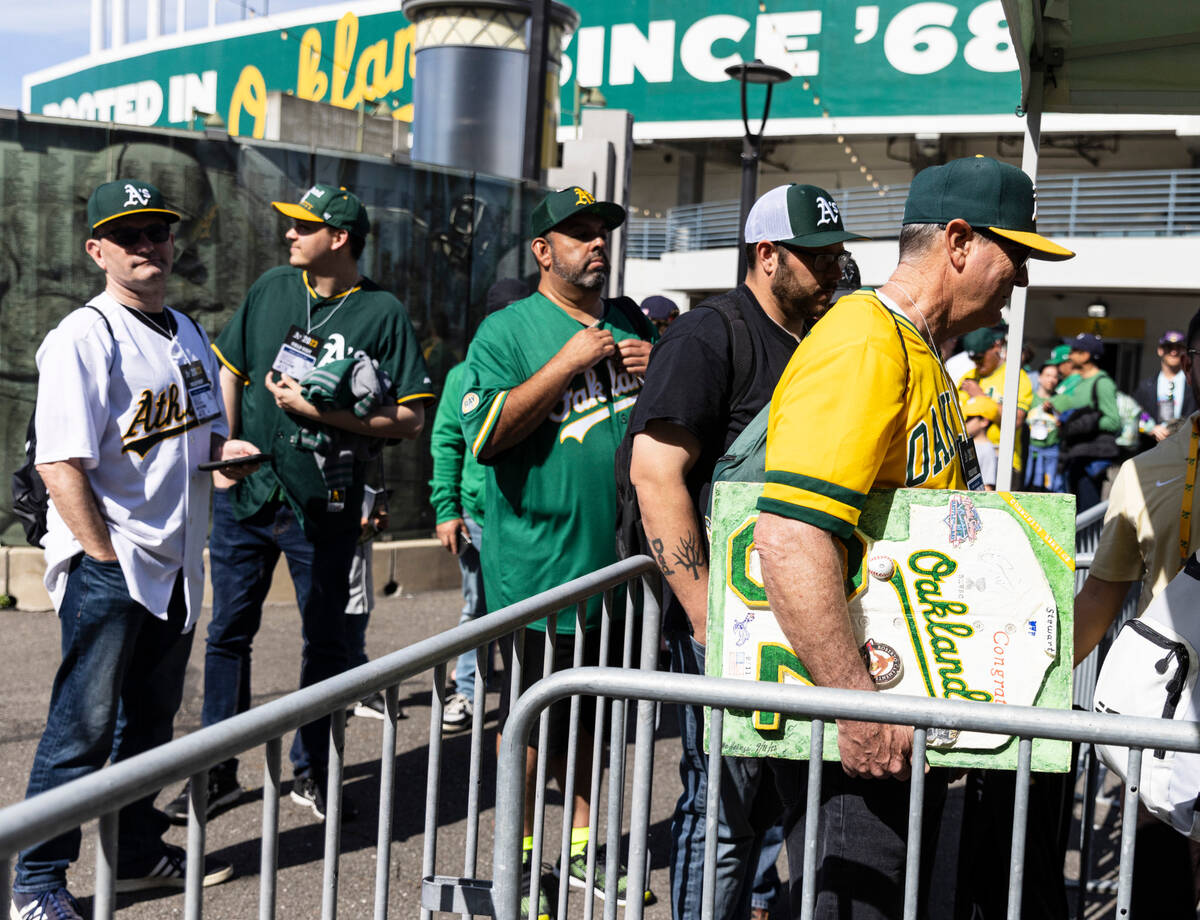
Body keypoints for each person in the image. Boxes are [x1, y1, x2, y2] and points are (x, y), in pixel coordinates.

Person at [752, 155, 1074, 919]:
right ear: (959, 242)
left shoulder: (917, 345)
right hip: (857, 717)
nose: (1022, 279)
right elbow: (791, 536)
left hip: (893, 705)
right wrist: (856, 705)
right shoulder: (863, 341)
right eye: (1016, 255)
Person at [10, 179, 257, 919]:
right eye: (130, 235)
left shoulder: (183, 328)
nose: (149, 245)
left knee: (149, 724)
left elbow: (197, 434)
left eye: (158, 231)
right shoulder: (83, 336)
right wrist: (101, 559)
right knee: (79, 730)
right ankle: (35, 882)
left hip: (177, 561)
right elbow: (60, 463)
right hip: (112, 562)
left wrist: (228, 449)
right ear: (97, 251)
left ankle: (138, 847)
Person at [628, 183, 867, 920]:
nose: (830, 269)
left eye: (836, 254)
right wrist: (707, 618)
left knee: (772, 807)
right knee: (722, 815)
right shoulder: (709, 335)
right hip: (728, 624)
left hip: (789, 613)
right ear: (767, 256)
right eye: (814, 256)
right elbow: (654, 472)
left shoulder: (810, 338)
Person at [165, 184, 433, 824]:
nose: (289, 234)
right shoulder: (270, 289)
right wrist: (226, 448)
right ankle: (217, 773)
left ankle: (314, 768)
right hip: (249, 496)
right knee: (228, 634)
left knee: (327, 641)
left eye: (302, 226)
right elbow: (230, 367)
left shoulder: (382, 311)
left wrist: (322, 410)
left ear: (339, 238)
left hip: (326, 501)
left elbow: (411, 420)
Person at [459, 186, 655, 917]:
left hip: (623, 569)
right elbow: (487, 435)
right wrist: (567, 363)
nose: (596, 243)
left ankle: (577, 850)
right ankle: (522, 855)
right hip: (542, 568)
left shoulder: (631, 320)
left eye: (602, 230)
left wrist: (654, 365)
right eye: (578, 233)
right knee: (537, 718)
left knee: (596, 721)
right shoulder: (508, 331)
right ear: (543, 252)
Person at [1074, 308, 1200, 917]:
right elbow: (1101, 596)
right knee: (1159, 883)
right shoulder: (1147, 471)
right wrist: (1020, 684)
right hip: (1169, 720)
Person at [429, 277, 529, 731]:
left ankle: (531, 696)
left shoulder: (541, 362)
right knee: (479, 607)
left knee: (529, 611)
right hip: (480, 514)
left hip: (530, 514)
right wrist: (446, 509)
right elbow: (446, 441)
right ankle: (467, 692)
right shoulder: (462, 373)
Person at [1049, 332, 1121, 511]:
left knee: (1087, 513)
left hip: (1092, 462)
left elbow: (1113, 421)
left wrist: (1084, 424)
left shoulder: (1102, 382)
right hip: (1076, 456)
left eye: (1074, 350)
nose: (1070, 355)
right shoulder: (1080, 382)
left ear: (1086, 355)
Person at [958, 326, 1033, 486]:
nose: (977, 363)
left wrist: (981, 397)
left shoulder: (1016, 376)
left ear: (996, 347)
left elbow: (1016, 421)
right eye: (973, 359)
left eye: (980, 357)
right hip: (970, 458)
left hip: (1003, 461)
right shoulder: (968, 377)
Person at [344, 480, 394, 719]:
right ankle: (361, 694)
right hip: (337, 572)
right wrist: (351, 526)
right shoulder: (332, 471)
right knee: (334, 641)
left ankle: (360, 695)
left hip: (360, 574)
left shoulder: (367, 467)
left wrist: (376, 522)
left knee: (354, 637)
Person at [1133, 329, 1196, 445]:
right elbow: (1136, 413)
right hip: (1152, 448)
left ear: (1185, 352)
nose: (1174, 352)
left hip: (1186, 449)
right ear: (1160, 350)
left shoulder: (1195, 385)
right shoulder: (1146, 386)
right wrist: (1150, 428)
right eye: (1169, 347)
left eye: (1179, 347)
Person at [1026, 362, 1063, 491]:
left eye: (1055, 376)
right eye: (1048, 375)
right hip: (1030, 453)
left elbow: (1064, 425)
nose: (1051, 380)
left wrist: (1055, 411)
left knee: (1049, 490)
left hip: (1051, 453)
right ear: (1039, 377)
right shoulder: (1029, 398)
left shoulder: (1061, 400)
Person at [962, 394, 1001, 489]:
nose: (965, 421)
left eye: (970, 418)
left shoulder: (987, 450)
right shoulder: (964, 443)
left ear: (984, 421)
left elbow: (987, 487)